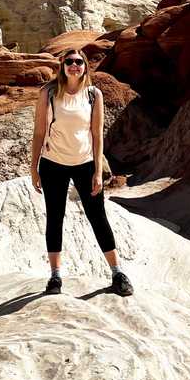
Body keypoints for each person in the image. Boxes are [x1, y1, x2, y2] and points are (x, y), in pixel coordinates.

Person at [30, 48, 133, 297]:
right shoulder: (49, 93)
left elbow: (97, 135)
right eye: (69, 62)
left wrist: (98, 171)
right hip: (53, 163)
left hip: (85, 163)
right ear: (62, 66)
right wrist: (34, 167)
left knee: (97, 216)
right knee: (55, 217)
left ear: (85, 66)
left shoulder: (93, 95)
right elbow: (39, 132)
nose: (74, 66)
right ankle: (55, 277)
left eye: (79, 62)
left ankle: (117, 272)